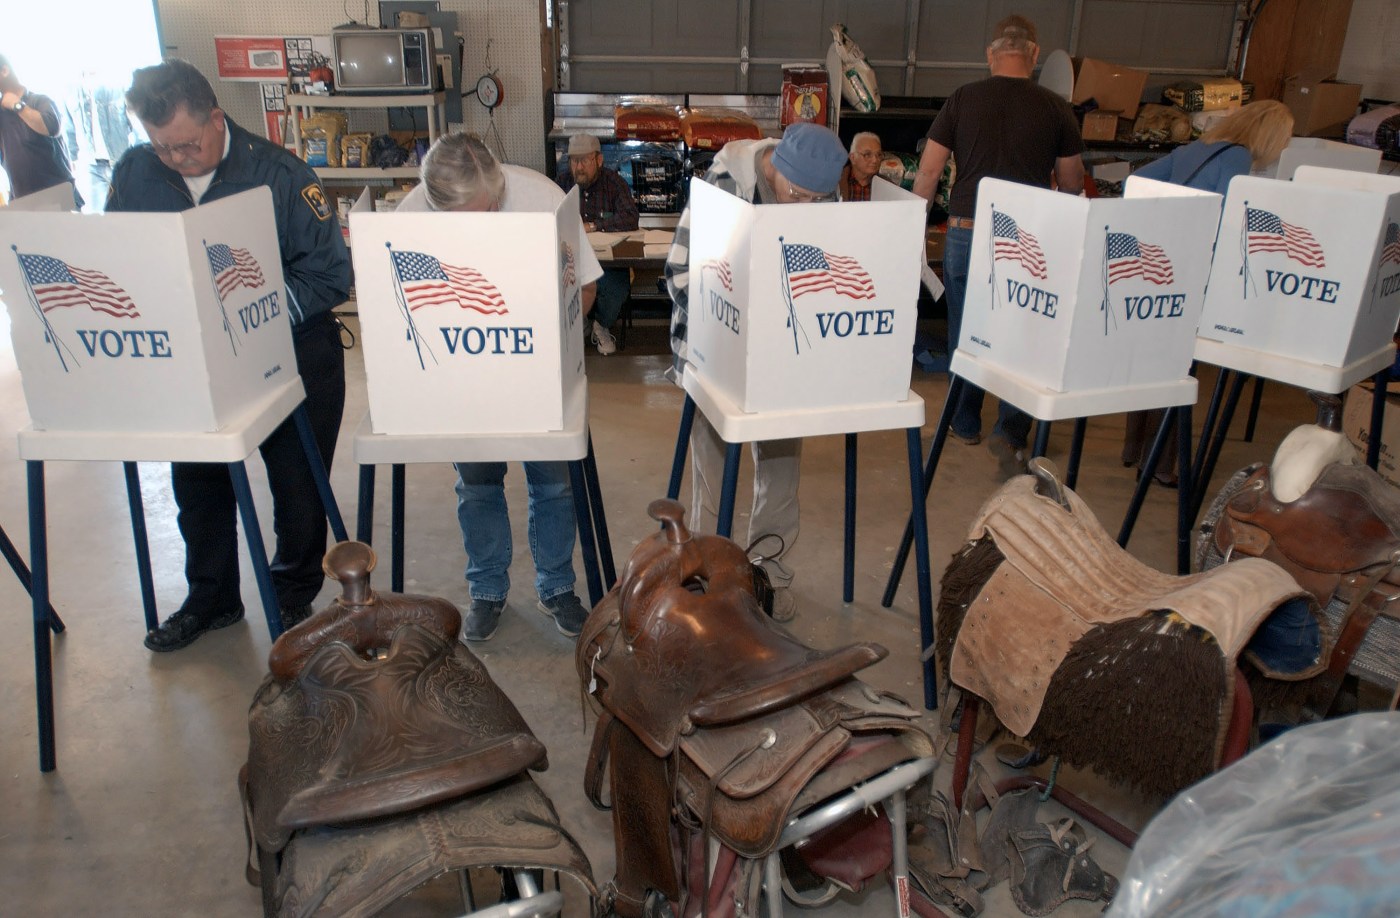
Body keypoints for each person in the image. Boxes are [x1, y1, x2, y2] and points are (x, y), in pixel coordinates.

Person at [107, 60, 350, 652]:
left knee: (297, 485)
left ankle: (290, 593)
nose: (176, 159)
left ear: (216, 119)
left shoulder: (281, 175)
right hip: (191, 361)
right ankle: (211, 596)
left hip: (291, 350)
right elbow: (118, 259)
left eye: (187, 144)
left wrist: (245, 317)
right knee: (196, 482)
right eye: (162, 147)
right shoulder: (136, 173)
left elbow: (329, 275)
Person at [398, 133, 600, 642]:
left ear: (499, 187)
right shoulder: (410, 216)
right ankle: (487, 590)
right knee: (477, 484)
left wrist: (555, 344)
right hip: (464, 380)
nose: (481, 228)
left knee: (553, 483)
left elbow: (587, 286)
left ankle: (557, 586)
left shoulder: (543, 199)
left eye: (488, 211)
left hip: (538, 373)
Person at [664, 121, 848, 622]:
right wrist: (734, 325)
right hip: (712, 345)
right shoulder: (724, 184)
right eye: (798, 195)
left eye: (817, 200)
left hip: (783, 353)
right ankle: (709, 570)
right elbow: (679, 273)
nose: (805, 207)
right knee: (713, 464)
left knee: (782, 465)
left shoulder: (823, 197)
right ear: (776, 167)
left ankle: (768, 572)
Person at [912, 15, 1084, 479]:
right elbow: (1071, 182)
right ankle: (1011, 430)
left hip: (967, 230)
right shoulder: (1056, 108)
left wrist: (911, 225)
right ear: (1034, 54)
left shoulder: (963, 99)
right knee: (1023, 330)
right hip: (1028, 237)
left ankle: (965, 420)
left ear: (991, 55)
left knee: (966, 329)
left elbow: (929, 171)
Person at [1122, 100, 1295, 486]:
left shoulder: (1194, 149)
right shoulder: (1237, 158)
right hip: (1195, 271)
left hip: (1162, 266)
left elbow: (1136, 181)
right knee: (1178, 368)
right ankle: (1159, 464)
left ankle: (1134, 449)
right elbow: (1230, 219)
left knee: (1152, 361)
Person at [557, 133, 639, 356]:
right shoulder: (561, 184)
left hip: (607, 263)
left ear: (599, 160)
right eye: (574, 161)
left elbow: (630, 217)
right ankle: (579, 320)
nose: (579, 167)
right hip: (571, 260)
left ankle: (601, 324)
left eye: (585, 160)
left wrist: (594, 226)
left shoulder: (614, 183)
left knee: (615, 287)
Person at [0, 54, 82, 207]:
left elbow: (51, 127)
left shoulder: (40, 101)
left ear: (4, 71)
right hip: (23, 203)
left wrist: (17, 106)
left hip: (59, 200)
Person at [838, 131, 883, 202]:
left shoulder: (889, 186)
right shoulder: (835, 184)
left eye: (879, 155)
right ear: (852, 158)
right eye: (867, 154)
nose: (875, 160)